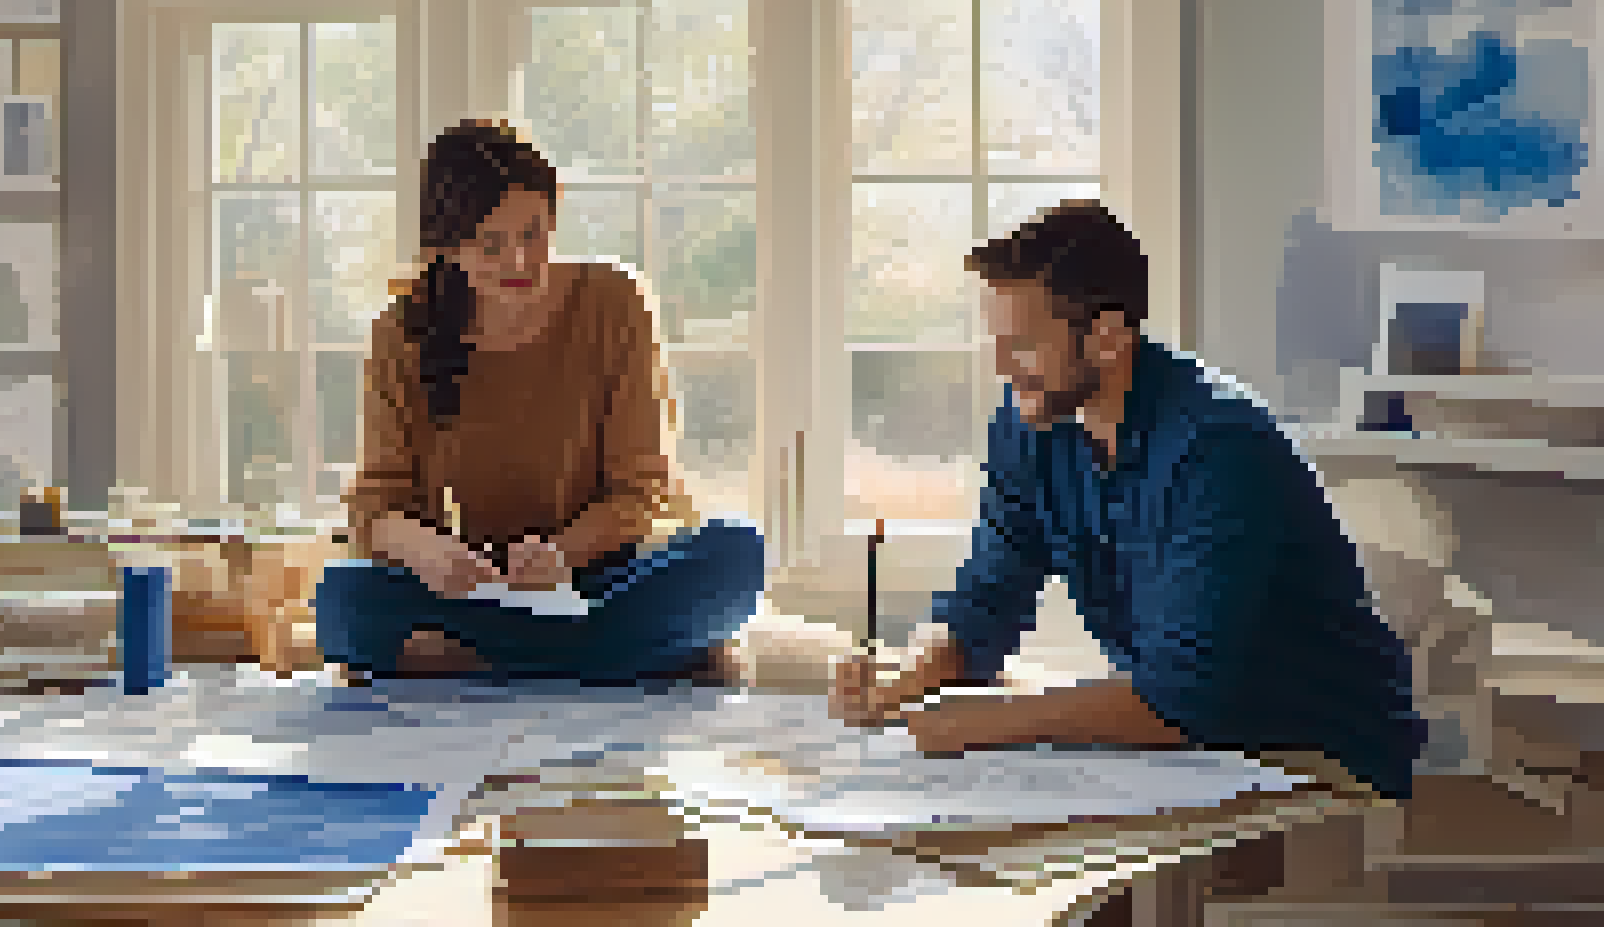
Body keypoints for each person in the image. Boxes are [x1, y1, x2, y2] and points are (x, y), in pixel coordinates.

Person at [834, 200, 1424, 801]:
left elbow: (1180, 699)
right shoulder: (1030, 426)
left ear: (1109, 339)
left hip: (1325, 759)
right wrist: (908, 676)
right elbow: (986, 600)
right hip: (1197, 752)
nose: (1001, 367)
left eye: (1024, 345)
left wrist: (983, 722)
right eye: (996, 342)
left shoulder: (1220, 448)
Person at [314, 118, 765, 682]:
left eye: (532, 233)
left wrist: (561, 554)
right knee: (341, 602)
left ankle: (494, 660)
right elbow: (375, 505)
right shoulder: (400, 332)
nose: (519, 261)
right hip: (478, 588)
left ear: (553, 218)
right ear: (447, 246)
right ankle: (628, 654)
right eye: (491, 244)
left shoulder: (614, 302)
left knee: (735, 551)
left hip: (606, 574)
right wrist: (425, 549)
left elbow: (643, 492)